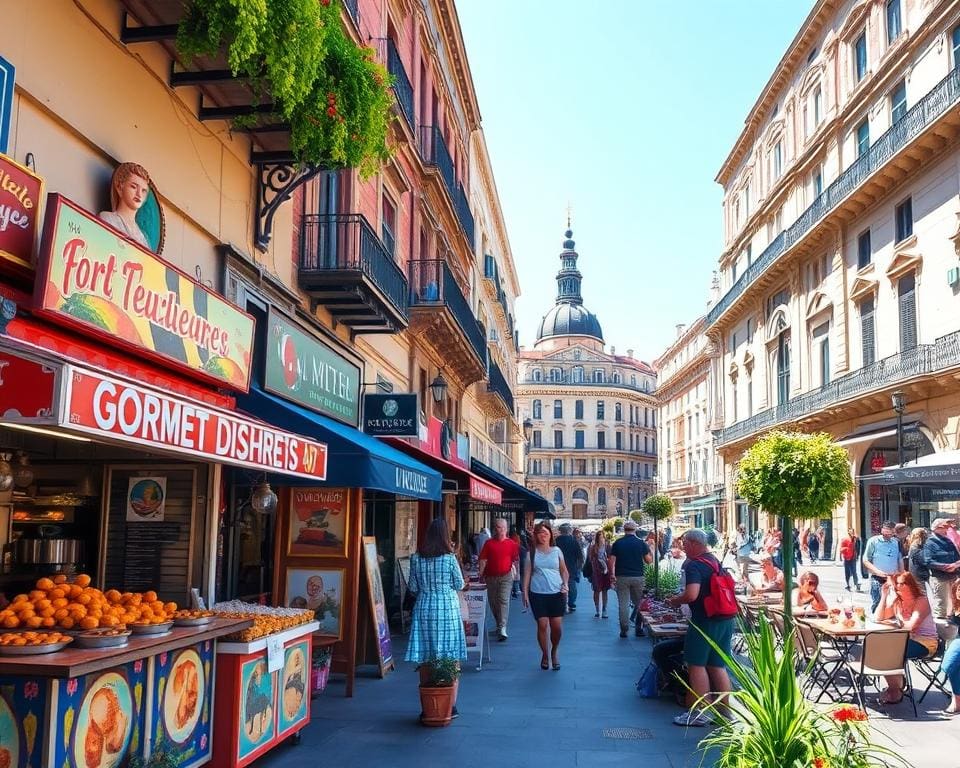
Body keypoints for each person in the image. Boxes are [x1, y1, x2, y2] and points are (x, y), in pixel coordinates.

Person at [666, 528, 734, 727]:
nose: (683, 547)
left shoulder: (694, 565)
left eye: (685, 543)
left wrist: (676, 600)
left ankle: (700, 712)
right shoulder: (714, 560)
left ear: (695, 544)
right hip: (724, 618)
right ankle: (725, 712)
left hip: (705, 620)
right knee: (717, 665)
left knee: (696, 665)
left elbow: (692, 595)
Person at [405, 518, 466, 720]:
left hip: (424, 608)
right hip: (447, 608)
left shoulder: (416, 558)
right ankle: (451, 705)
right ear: (445, 536)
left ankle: (427, 705)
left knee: (425, 656)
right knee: (451, 655)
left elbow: (412, 588)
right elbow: (459, 583)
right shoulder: (449, 559)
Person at [872, 571, 938, 704]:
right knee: (877, 648)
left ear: (911, 585)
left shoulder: (922, 601)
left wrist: (895, 623)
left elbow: (912, 626)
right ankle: (896, 686)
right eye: (896, 584)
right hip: (904, 640)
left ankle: (895, 689)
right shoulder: (898, 602)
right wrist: (884, 596)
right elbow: (878, 618)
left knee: (887, 652)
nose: (897, 587)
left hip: (925, 642)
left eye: (901, 584)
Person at [522, 521, 569, 670]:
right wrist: (524, 592)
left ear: (550, 534)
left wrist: (565, 583)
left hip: (556, 593)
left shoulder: (557, 551)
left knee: (556, 627)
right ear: (535, 535)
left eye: (545, 532)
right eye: (540, 532)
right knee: (542, 625)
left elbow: (564, 571)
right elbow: (527, 573)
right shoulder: (532, 553)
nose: (543, 535)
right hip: (538, 593)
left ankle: (554, 650)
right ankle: (545, 654)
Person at [609, 520, 653, 638]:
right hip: (638, 576)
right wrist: (650, 550)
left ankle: (624, 629)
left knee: (623, 604)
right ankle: (639, 628)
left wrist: (612, 575)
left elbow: (611, 562)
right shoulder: (641, 543)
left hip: (621, 576)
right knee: (639, 604)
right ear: (635, 530)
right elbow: (649, 561)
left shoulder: (617, 543)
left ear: (624, 529)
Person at [478, 518, 520, 641]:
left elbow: (515, 560)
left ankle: (502, 627)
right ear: (494, 529)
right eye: (498, 527)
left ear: (506, 529)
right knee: (493, 602)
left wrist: (516, 576)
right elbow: (482, 559)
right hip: (490, 576)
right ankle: (498, 625)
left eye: (502, 527)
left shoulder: (512, 544)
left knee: (503, 600)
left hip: (506, 576)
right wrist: (481, 574)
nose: (500, 530)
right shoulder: (489, 543)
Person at [98, 162, 154, 250]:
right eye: (133, 187)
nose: (139, 194)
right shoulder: (108, 219)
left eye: (143, 191)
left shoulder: (143, 237)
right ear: (120, 187)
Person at [862, 521, 903, 612]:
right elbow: (865, 560)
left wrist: (902, 574)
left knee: (893, 603)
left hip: (892, 577)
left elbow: (899, 559)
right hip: (878, 577)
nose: (889, 535)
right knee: (878, 602)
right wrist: (877, 571)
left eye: (891, 533)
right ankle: (875, 619)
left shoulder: (896, 542)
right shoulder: (873, 541)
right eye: (887, 532)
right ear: (882, 530)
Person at [923, 518, 960, 619]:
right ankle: (941, 627)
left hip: (953, 576)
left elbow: (957, 556)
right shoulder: (930, 542)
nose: (947, 529)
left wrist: (956, 565)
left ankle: (953, 621)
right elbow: (928, 561)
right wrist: (946, 567)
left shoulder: (948, 540)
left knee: (955, 601)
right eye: (945, 527)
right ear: (936, 528)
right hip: (940, 577)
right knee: (941, 602)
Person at [937, 578, 960, 716]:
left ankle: (956, 701)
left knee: (949, 664)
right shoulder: (957, 606)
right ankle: (956, 700)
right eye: (958, 589)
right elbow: (950, 621)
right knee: (951, 666)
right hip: (957, 640)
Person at [555, 523, 583, 612]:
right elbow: (580, 556)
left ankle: (561, 603)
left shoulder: (556, 541)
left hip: (558, 567)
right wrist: (578, 567)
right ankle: (572, 604)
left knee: (559, 585)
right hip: (571, 567)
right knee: (572, 586)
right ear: (569, 531)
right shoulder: (574, 541)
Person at [587, 530, 613, 618]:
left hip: (606, 572)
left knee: (605, 590)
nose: (601, 539)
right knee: (596, 591)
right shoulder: (593, 547)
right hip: (596, 572)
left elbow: (611, 558)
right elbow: (590, 559)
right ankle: (597, 610)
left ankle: (604, 609)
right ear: (597, 539)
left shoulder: (608, 547)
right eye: (599, 537)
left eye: (602, 537)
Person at [510, 526, 523, 598]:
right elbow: (518, 544)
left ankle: (513, 590)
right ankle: (516, 589)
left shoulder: (509, 538)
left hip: (511, 557)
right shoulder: (517, 537)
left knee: (512, 574)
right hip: (516, 557)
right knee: (516, 573)